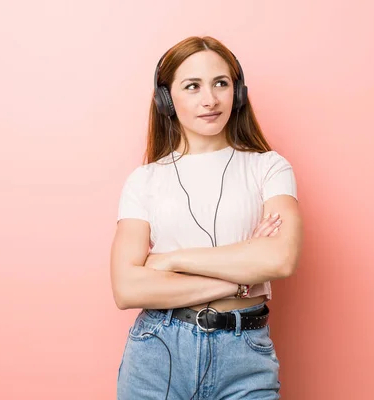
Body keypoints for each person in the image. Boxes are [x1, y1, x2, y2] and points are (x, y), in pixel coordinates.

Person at [110, 35, 303, 400]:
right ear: (167, 99)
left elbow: (281, 258)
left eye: (221, 83)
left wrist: (170, 261)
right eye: (192, 86)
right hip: (158, 351)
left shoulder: (268, 168)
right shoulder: (145, 180)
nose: (210, 99)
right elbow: (128, 288)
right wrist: (241, 277)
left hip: (244, 352)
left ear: (238, 92)